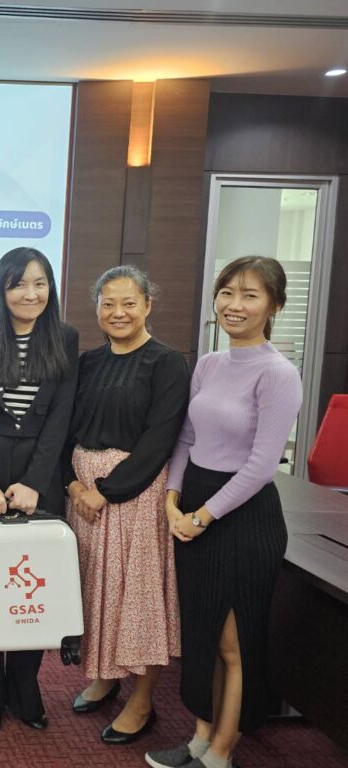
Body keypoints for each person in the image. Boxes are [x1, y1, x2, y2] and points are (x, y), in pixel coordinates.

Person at [146, 257, 302, 768]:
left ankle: (222, 751)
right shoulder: (210, 364)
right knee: (204, 635)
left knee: (234, 644)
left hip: (243, 517)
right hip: (195, 504)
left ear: (273, 305)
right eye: (227, 292)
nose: (235, 305)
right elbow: (187, 439)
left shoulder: (278, 374)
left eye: (250, 295)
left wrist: (202, 516)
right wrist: (173, 498)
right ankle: (200, 738)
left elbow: (261, 466)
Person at [0, 247, 78, 732]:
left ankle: (24, 690)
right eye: (19, 284)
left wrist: (35, 484)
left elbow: (60, 419)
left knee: (34, 586)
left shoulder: (64, 338)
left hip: (37, 476)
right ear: (1, 290)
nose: (31, 293)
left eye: (40, 283)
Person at [63, 265, 189, 745]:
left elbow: (160, 440)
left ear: (148, 305)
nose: (118, 312)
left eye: (129, 303)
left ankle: (142, 700)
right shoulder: (88, 362)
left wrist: (106, 490)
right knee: (95, 593)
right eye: (108, 303)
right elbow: (65, 427)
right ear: (96, 308)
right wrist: (73, 487)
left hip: (134, 496)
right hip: (84, 498)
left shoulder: (167, 363)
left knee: (136, 600)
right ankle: (105, 676)